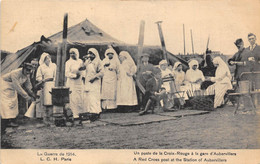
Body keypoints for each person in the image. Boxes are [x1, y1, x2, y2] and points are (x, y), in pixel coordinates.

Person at [1, 63, 36, 133]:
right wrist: (27, 97)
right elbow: (18, 87)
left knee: (13, 104)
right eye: (27, 70)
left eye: (30, 70)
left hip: (12, 89)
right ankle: (2, 127)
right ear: (23, 68)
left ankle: (10, 122)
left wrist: (33, 94)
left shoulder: (27, 75)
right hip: (4, 87)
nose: (28, 72)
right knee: (6, 107)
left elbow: (28, 86)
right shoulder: (15, 73)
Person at [82, 48, 104, 121]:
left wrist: (94, 78)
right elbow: (82, 68)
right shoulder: (88, 62)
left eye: (91, 54)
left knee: (95, 97)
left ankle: (96, 113)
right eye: (89, 53)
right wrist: (84, 60)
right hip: (88, 81)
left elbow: (101, 73)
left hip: (95, 82)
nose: (90, 55)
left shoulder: (98, 62)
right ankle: (91, 112)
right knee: (89, 98)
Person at [36, 53, 56, 125]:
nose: (48, 59)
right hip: (45, 85)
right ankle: (46, 119)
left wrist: (52, 79)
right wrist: (43, 80)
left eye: (49, 58)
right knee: (46, 101)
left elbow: (56, 75)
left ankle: (52, 118)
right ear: (43, 60)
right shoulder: (41, 67)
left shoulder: (54, 66)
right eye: (46, 58)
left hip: (53, 84)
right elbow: (38, 77)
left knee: (52, 101)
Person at [65, 48, 84, 124]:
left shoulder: (80, 61)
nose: (72, 54)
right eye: (71, 53)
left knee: (80, 97)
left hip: (79, 82)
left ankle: (80, 113)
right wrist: (74, 76)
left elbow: (83, 71)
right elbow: (66, 73)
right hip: (72, 82)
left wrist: (82, 74)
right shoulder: (68, 62)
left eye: (74, 53)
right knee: (73, 98)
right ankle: (75, 115)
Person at [246, 33, 260, 106]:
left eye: (252, 38)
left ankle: (258, 104)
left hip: (258, 70)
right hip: (249, 71)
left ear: (255, 39)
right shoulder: (247, 49)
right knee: (250, 87)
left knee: (258, 86)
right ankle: (252, 105)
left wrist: (256, 61)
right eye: (250, 39)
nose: (251, 40)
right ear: (248, 40)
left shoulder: (259, 48)